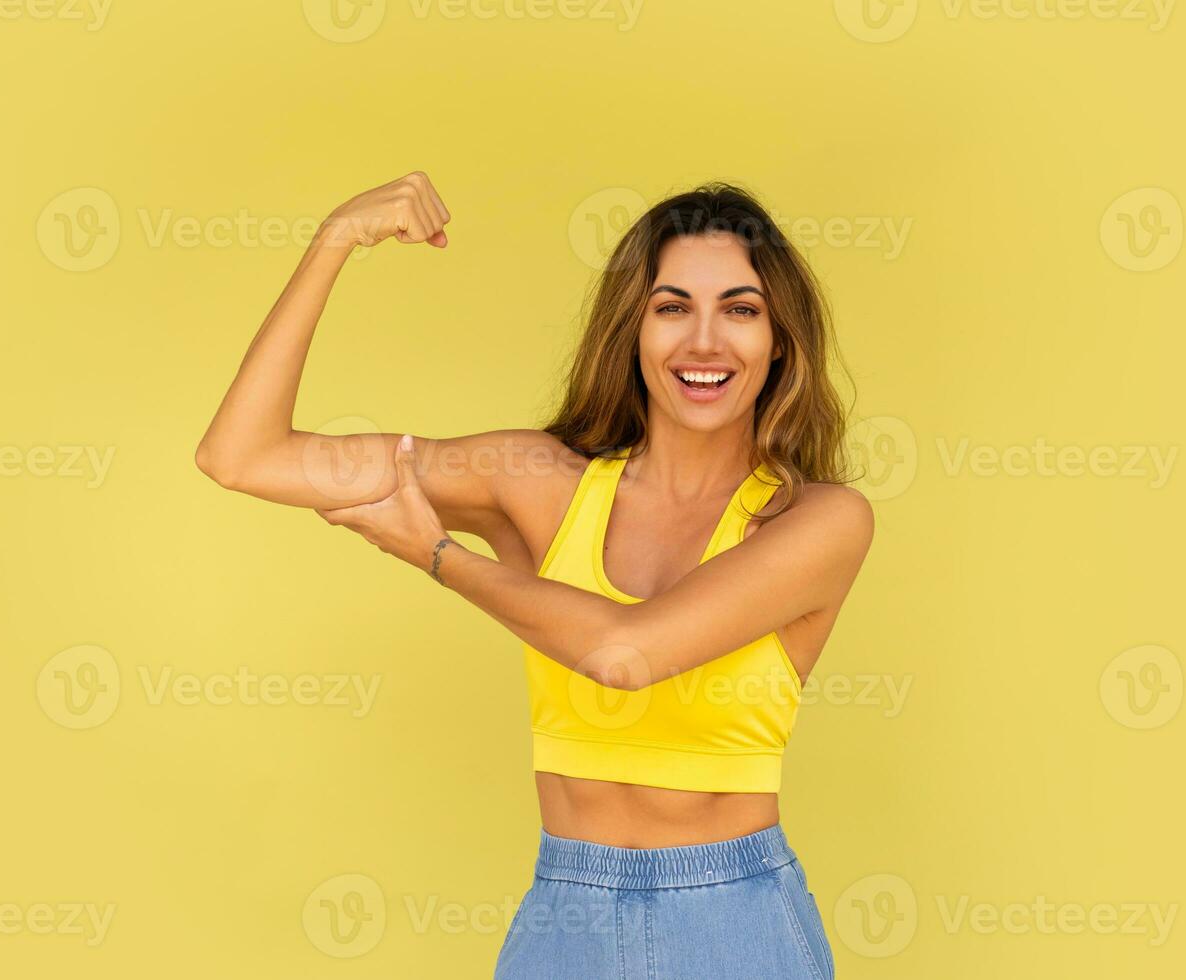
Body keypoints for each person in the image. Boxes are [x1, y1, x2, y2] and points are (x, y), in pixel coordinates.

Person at [195, 171, 873, 978]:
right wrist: (334, 239)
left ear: (779, 340)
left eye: (740, 309)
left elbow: (626, 655)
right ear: (631, 330)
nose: (704, 342)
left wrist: (438, 558)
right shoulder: (536, 482)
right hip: (566, 919)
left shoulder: (816, 520)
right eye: (670, 308)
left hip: (736, 921)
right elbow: (242, 456)